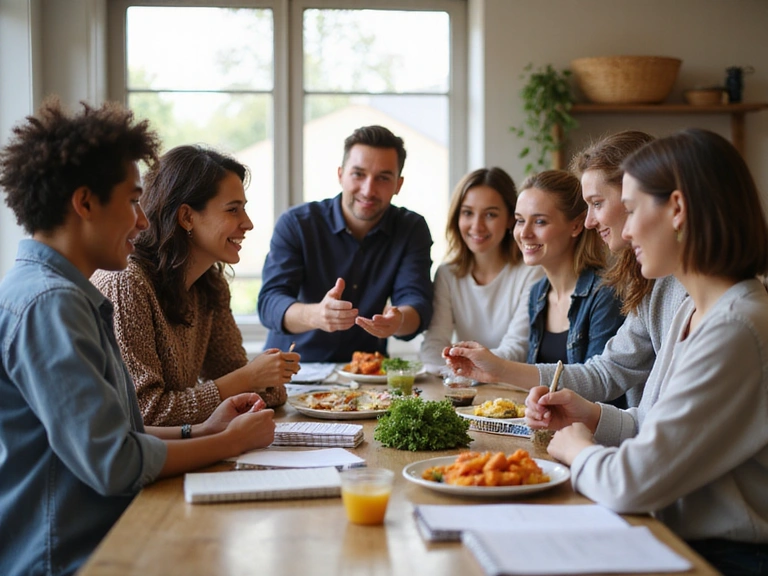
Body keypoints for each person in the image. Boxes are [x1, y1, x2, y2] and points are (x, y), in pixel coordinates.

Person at [0, 98, 275, 576]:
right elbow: (115, 461)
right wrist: (226, 443)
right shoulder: (52, 305)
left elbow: (120, 433)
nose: (145, 220)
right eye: (132, 201)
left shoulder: (66, 295)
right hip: (72, 556)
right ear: (85, 203)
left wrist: (202, 429)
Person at [525, 128, 768, 576]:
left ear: (677, 209)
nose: (626, 227)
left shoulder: (736, 326)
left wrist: (579, 450)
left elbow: (631, 482)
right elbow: (655, 424)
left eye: (632, 209)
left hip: (726, 559)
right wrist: (589, 416)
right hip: (677, 537)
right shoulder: (695, 312)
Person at [444, 131, 687, 407]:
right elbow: (608, 376)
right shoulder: (648, 285)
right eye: (520, 221)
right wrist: (497, 369)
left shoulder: (632, 291)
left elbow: (637, 410)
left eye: (597, 204)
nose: (590, 222)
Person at [92, 145, 298, 426]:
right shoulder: (126, 283)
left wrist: (266, 376)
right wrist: (249, 378)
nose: (247, 223)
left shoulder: (209, 285)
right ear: (187, 217)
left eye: (244, 209)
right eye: (233, 210)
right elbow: (145, 413)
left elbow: (247, 385)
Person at [257, 125, 433, 363]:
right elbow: (270, 303)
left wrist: (397, 321)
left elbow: (417, 302)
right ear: (340, 174)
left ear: (398, 185)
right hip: (294, 369)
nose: (368, 190)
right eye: (358, 174)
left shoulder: (411, 228)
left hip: (367, 376)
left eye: (383, 178)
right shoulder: (297, 223)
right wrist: (317, 315)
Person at [420, 167, 543, 370]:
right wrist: (456, 376)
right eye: (467, 213)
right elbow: (433, 346)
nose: (477, 226)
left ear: (511, 219)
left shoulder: (531, 272)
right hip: (461, 388)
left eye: (490, 215)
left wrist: (464, 369)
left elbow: (517, 349)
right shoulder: (447, 274)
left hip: (511, 390)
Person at [513, 169, 624, 367]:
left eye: (540, 221)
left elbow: (598, 385)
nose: (524, 233)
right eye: (520, 220)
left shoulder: (605, 293)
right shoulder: (537, 294)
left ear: (576, 226)